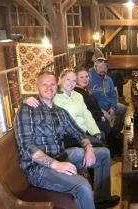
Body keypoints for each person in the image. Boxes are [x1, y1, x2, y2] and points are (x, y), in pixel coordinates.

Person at [14, 71, 120, 209]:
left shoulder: (60, 112)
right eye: (44, 84)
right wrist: (55, 165)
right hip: (39, 169)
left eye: (52, 84)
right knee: (82, 185)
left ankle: (102, 199)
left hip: (62, 156)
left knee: (104, 153)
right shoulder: (27, 110)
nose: (49, 87)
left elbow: (78, 132)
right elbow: (26, 147)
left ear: (56, 86)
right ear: (37, 87)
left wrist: (88, 148)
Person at [22, 69, 108, 147]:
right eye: (68, 79)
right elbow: (38, 98)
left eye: (74, 80)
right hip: (68, 135)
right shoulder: (53, 95)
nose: (71, 83)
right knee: (101, 144)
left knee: (102, 135)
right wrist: (24, 99)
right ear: (60, 79)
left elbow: (87, 114)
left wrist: (94, 131)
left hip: (82, 130)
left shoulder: (78, 95)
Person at [74, 67, 122, 156]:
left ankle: (114, 144)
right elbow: (86, 111)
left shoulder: (85, 89)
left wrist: (101, 114)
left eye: (86, 76)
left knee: (106, 121)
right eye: (81, 77)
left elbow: (95, 105)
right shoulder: (78, 92)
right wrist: (99, 116)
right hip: (86, 120)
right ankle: (113, 147)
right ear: (76, 79)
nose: (85, 79)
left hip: (94, 115)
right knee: (105, 125)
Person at [89, 58, 127, 134]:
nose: (103, 69)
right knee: (108, 118)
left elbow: (113, 94)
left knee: (123, 108)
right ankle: (107, 136)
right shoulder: (89, 78)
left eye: (105, 67)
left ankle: (116, 131)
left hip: (108, 105)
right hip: (97, 108)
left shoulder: (108, 79)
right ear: (95, 67)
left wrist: (112, 107)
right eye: (100, 67)